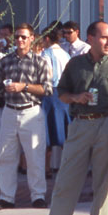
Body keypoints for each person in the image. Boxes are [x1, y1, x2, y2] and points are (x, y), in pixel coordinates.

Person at [28, 21, 108, 215]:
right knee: (66, 182)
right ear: (91, 38)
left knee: (103, 184)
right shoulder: (75, 64)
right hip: (80, 126)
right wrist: (76, 98)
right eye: (104, 37)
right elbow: (62, 94)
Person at [0, 23, 53, 209]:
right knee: (5, 156)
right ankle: (6, 197)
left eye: (24, 37)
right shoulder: (5, 61)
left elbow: (47, 89)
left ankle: (38, 196)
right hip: (9, 110)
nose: (20, 40)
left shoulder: (40, 62)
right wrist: (5, 89)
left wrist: (23, 86)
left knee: (35, 156)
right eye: (17, 37)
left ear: (32, 39)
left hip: (31, 111)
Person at [39, 26, 72, 177]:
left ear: (46, 39)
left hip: (51, 93)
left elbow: (46, 76)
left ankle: (46, 167)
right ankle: (68, 166)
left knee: (47, 131)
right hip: (65, 93)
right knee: (66, 130)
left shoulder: (46, 54)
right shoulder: (66, 54)